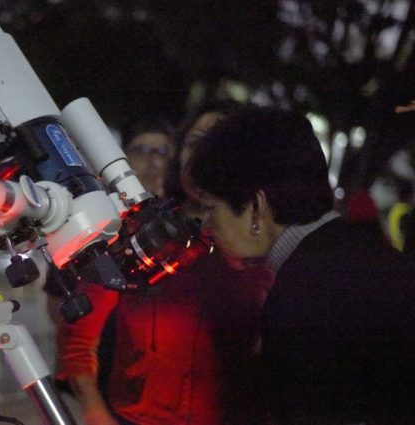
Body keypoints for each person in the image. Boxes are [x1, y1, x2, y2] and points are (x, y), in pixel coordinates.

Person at [183, 105, 415, 424]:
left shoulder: (300, 301)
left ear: (255, 207)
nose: (207, 226)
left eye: (211, 209)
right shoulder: (362, 250)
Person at [55, 108, 270, 425]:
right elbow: (77, 337)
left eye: (221, 142)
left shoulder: (262, 237)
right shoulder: (140, 231)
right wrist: (94, 409)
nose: (207, 155)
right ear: (178, 154)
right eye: (196, 142)